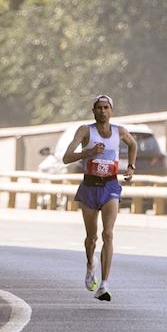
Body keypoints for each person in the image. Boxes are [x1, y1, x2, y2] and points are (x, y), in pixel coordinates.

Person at [62, 94, 136, 301]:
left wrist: (130, 167)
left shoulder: (120, 132)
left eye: (106, 108)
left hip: (110, 186)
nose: (103, 111)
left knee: (109, 234)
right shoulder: (86, 131)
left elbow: (133, 145)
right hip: (89, 187)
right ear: (93, 111)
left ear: (111, 111)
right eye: (99, 108)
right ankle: (89, 264)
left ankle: (104, 284)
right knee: (92, 239)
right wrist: (89, 152)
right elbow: (66, 158)